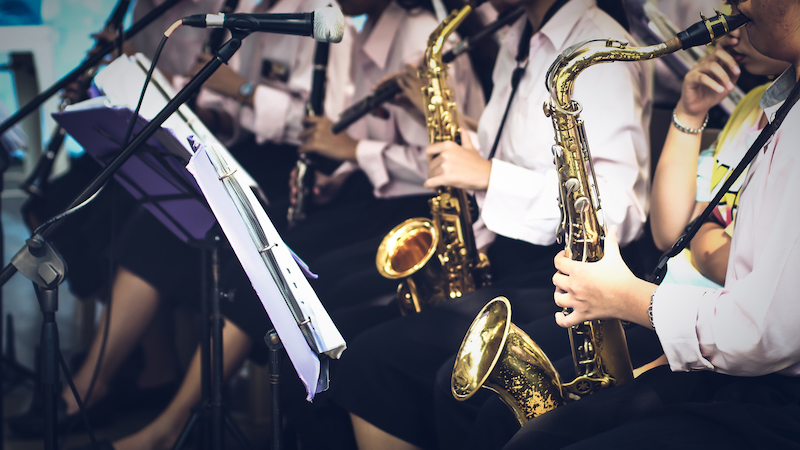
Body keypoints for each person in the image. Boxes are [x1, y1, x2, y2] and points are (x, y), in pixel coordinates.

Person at [430, 8, 793, 449]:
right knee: (495, 415)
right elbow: (675, 230)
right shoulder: (769, 110)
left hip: (738, 360)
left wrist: (628, 297)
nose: (740, 7)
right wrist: (689, 111)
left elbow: (758, 324)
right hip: (694, 323)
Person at [321, 0, 653, 449]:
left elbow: (621, 212)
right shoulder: (518, 41)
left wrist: (488, 175)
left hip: (563, 277)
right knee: (354, 344)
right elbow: (518, 151)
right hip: (504, 250)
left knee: (374, 361)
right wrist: (433, 117)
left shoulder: (596, 53)